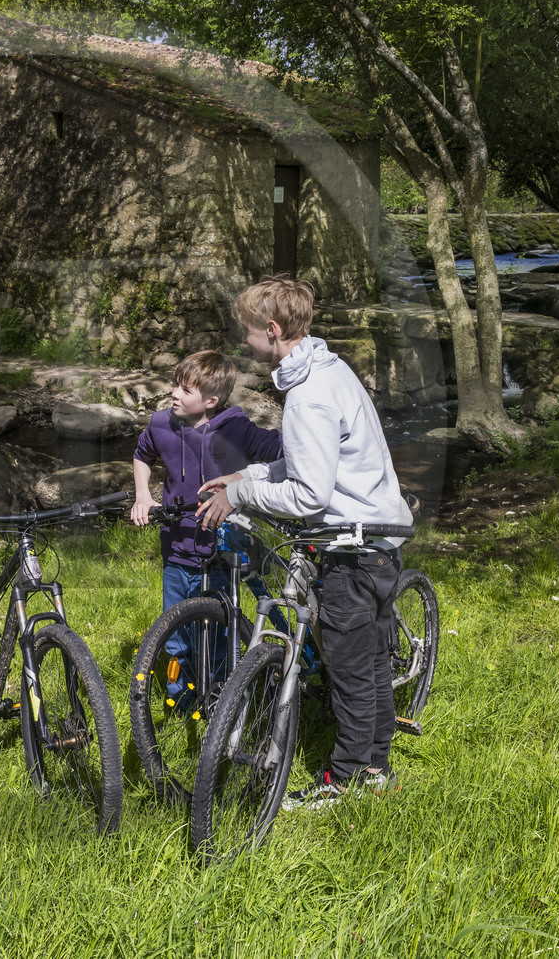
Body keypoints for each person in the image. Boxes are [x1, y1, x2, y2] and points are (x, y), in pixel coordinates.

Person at [196, 277, 414, 811]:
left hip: (352, 549)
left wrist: (243, 496)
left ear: (271, 331)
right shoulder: (327, 368)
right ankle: (377, 768)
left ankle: (346, 780)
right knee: (369, 665)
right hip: (380, 539)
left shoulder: (308, 395)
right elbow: (306, 461)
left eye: (248, 331)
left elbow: (310, 495)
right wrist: (245, 474)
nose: (244, 342)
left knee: (351, 671)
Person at [130, 350, 281, 704]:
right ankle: (179, 699)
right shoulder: (161, 424)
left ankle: (219, 700)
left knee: (215, 632)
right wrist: (142, 496)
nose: (174, 394)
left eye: (186, 390)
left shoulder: (237, 430)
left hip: (223, 548)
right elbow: (141, 455)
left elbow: (282, 451)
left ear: (211, 401)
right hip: (176, 547)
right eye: (176, 386)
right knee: (175, 633)